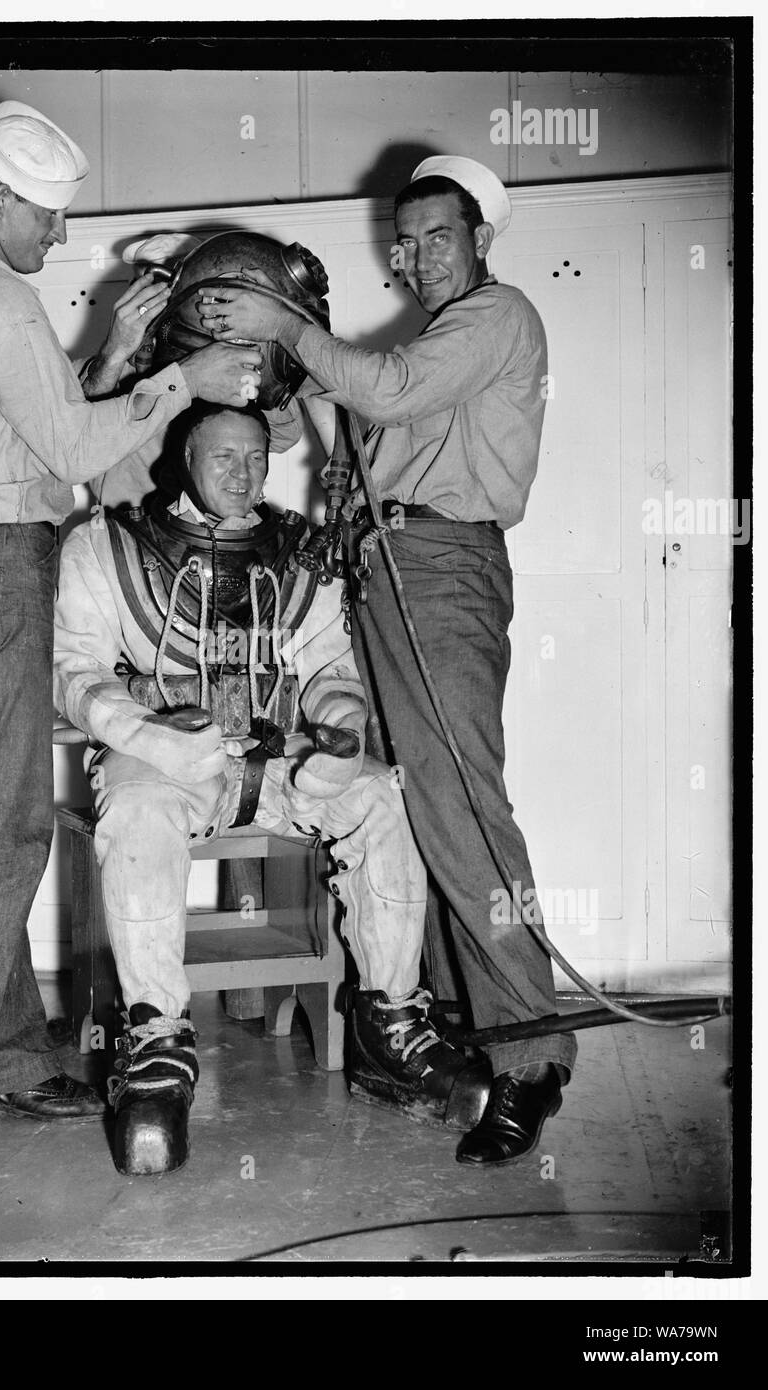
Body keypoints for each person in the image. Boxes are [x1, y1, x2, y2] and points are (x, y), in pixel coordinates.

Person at [195, 155, 577, 1167]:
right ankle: (447, 1023)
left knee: (460, 806)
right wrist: (281, 398)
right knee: (403, 801)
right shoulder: (428, 340)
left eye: (435, 235)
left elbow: (383, 387)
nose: (414, 255)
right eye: (403, 242)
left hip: (442, 571)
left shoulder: (498, 319)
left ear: (480, 239)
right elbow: (357, 418)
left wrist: (289, 331)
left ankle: (531, 1056)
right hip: (382, 571)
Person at [0, 100, 263, 1121]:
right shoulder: (0, 302)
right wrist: (184, 375)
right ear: (3, 197)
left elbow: (34, 426)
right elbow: (69, 452)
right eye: (48, 217)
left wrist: (110, 355)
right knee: (0, 823)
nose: (59, 237)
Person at [53, 401, 491, 1174]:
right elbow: (72, 673)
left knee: (383, 798)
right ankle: (155, 1043)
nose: (242, 471)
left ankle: (387, 1026)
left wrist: (341, 727)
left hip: (280, 760)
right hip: (165, 759)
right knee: (140, 807)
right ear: (185, 459)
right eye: (223, 456)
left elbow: (330, 668)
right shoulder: (108, 546)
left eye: (255, 457)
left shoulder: (299, 553)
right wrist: (152, 737)